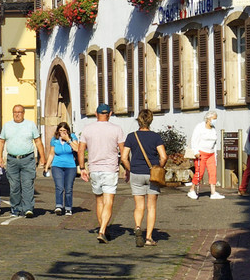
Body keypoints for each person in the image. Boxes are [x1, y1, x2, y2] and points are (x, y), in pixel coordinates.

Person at [77, 102, 125, 244]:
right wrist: (126, 168)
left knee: (99, 201)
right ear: (110, 114)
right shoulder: (117, 129)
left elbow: (81, 150)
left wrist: (82, 168)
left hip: (94, 169)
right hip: (110, 169)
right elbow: (123, 151)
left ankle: (103, 229)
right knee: (108, 201)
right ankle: (102, 230)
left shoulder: (87, 129)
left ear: (96, 114)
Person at [121, 106, 167, 248]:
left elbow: (124, 157)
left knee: (139, 206)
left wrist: (130, 169)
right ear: (150, 121)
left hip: (136, 173)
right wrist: (158, 167)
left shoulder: (131, 136)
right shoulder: (155, 137)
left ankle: (137, 227)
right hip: (152, 174)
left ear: (138, 121)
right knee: (151, 207)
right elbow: (164, 156)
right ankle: (148, 238)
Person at [0, 104, 45, 220]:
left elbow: (38, 141)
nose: (17, 114)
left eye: (19, 112)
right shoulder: (7, 126)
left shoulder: (30, 125)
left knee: (27, 184)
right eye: (15, 112)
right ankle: (16, 208)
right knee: (14, 186)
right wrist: (0, 157)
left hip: (27, 159)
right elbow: (1, 142)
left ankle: (28, 208)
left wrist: (42, 157)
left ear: (23, 113)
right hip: (12, 160)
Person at [188, 112, 226, 200]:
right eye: (214, 119)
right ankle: (192, 190)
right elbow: (194, 140)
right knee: (199, 172)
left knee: (213, 172)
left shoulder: (213, 129)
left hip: (211, 153)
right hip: (201, 153)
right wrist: (196, 151)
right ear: (208, 119)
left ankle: (213, 192)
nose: (215, 120)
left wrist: (215, 154)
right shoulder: (200, 127)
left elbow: (215, 143)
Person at [48, 122, 79, 215]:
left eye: (64, 130)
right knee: (59, 187)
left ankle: (68, 207)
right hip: (57, 165)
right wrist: (46, 166)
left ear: (68, 131)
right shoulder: (54, 139)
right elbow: (51, 153)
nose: (62, 132)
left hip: (70, 166)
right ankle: (59, 206)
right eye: (60, 130)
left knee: (68, 188)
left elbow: (77, 149)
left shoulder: (72, 137)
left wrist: (68, 140)